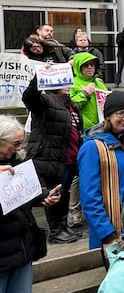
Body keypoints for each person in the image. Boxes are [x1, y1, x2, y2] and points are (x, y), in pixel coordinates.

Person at [0, 115, 61, 293]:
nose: (19, 148)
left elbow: (21, 194)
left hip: (23, 249)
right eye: (15, 144)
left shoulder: (17, 161)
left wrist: (43, 196)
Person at [78, 91, 124, 256]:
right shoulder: (92, 148)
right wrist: (107, 235)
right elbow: (90, 198)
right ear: (107, 116)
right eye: (120, 113)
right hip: (113, 231)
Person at [23, 76, 83, 244]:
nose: (68, 86)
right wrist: (40, 77)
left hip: (70, 159)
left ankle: (63, 226)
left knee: (64, 194)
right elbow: (29, 96)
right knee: (54, 194)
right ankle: (56, 231)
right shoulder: (43, 102)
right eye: (63, 82)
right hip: (52, 159)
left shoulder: (72, 106)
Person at [71, 52, 108, 130]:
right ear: (79, 67)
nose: (90, 67)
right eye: (86, 65)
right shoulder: (72, 83)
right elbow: (71, 105)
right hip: (84, 130)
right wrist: (85, 94)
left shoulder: (100, 84)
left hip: (102, 127)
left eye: (92, 64)